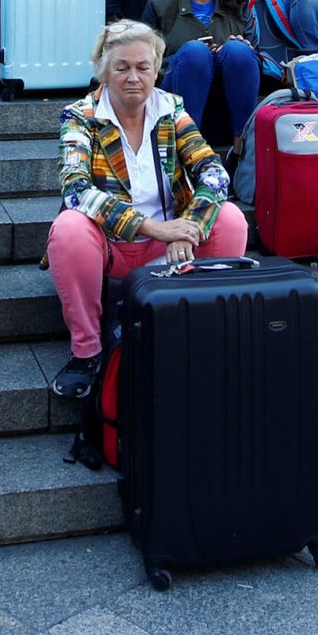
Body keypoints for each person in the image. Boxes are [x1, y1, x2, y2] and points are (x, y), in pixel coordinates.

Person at [44, 20, 249, 398]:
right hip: (108, 247)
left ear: (157, 69)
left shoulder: (172, 110)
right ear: (104, 70)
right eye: (122, 67)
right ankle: (86, 352)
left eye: (143, 67)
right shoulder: (80, 116)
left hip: (169, 247)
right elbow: (75, 189)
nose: (133, 77)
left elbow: (215, 173)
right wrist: (156, 229)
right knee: (69, 228)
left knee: (231, 219)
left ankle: (206, 335)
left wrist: (187, 226)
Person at [139, 0, 261, 156]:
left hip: (230, 103)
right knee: (195, 52)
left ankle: (241, 149)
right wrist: (186, 57)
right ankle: (188, 150)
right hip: (179, 100)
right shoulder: (160, 4)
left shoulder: (239, 0)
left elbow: (257, 59)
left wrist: (234, 49)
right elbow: (145, 65)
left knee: (239, 51)